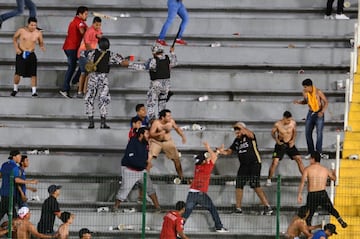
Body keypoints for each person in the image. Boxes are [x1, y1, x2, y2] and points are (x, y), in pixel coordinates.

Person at [218, 122, 273, 215]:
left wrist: (241, 127)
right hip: (244, 165)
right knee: (239, 184)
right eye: (236, 131)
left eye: (238, 131)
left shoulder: (250, 136)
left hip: (254, 163)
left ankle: (267, 206)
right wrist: (220, 151)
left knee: (255, 184)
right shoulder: (237, 141)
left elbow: (249, 133)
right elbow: (229, 151)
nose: (237, 133)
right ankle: (238, 208)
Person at [182, 142, 228, 233]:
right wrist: (209, 148)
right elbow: (213, 157)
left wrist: (217, 151)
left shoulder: (197, 166)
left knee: (187, 212)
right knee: (212, 209)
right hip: (200, 193)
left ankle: (178, 228)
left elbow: (212, 157)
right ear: (205, 160)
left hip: (191, 193)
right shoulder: (207, 167)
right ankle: (219, 227)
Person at [113, 127, 161, 212]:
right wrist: (145, 165)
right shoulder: (133, 142)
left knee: (150, 189)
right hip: (130, 170)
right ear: (141, 134)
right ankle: (115, 207)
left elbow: (145, 156)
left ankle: (158, 207)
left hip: (141, 170)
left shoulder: (146, 143)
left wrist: (146, 164)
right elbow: (131, 158)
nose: (148, 135)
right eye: (146, 134)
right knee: (124, 189)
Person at [84, 37, 129, 129]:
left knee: (90, 99)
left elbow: (85, 55)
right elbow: (123, 63)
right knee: (103, 100)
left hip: (93, 77)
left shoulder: (92, 53)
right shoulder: (111, 55)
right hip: (103, 78)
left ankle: (91, 122)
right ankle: (103, 122)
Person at [297, 151, 347, 228]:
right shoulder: (325, 169)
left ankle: (309, 233)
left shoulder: (307, 169)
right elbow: (334, 179)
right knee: (331, 209)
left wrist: (299, 194)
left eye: (310, 159)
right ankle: (340, 220)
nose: (310, 160)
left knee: (309, 215)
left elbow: (302, 182)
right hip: (322, 193)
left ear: (313, 159)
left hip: (312, 194)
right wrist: (333, 172)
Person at [130, 43, 177, 120]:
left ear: (154, 52)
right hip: (166, 85)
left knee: (151, 103)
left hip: (156, 84)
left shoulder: (153, 61)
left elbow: (143, 67)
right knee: (162, 103)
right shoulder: (167, 58)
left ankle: (152, 121)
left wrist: (129, 65)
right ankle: (162, 121)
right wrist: (172, 52)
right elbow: (175, 62)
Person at [266, 111, 304, 186]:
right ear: (284, 118)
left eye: (290, 120)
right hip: (281, 144)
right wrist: (276, 140)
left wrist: (293, 140)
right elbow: (272, 133)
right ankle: (269, 179)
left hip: (290, 143)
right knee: (275, 162)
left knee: (299, 159)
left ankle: (305, 177)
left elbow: (294, 132)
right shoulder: (277, 124)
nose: (289, 121)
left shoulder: (293, 123)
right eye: (288, 120)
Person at [294, 78, 329, 159]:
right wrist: (299, 102)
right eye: (304, 87)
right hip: (310, 113)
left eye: (306, 87)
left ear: (310, 86)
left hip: (319, 113)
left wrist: (322, 111)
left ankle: (319, 152)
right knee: (307, 133)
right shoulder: (304, 92)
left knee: (319, 133)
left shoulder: (318, 92)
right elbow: (306, 101)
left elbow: (326, 102)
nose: (304, 89)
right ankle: (311, 152)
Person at [11, 17, 45, 97]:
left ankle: (34, 91)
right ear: (28, 24)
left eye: (35, 25)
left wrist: (42, 46)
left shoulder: (38, 33)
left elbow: (41, 42)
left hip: (31, 53)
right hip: (21, 52)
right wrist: (16, 48)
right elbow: (14, 38)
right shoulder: (21, 30)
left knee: (33, 73)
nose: (33, 27)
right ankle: (15, 89)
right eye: (32, 25)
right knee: (18, 72)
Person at [0, 150, 38, 222]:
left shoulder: (4, 164)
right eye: (19, 156)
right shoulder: (15, 167)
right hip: (11, 194)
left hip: (3, 193)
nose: (20, 157)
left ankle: (12, 230)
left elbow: (1, 175)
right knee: (11, 214)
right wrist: (31, 182)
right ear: (14, 157)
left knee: (9, 213)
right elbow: (17, 180)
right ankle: (15, 230)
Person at [60, 6, 88, 99]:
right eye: (85, 14)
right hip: (72, 48)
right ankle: (65, 88)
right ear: (80, 14)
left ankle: (75, 80)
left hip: (71, 47)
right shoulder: (79, 23)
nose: (86, 15)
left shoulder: (78, 21)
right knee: (72, 67)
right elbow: (83, 33)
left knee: (82, 64)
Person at [149, 109, 186, 180]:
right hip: (157, 142)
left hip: (167, 141)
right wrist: (159, 133)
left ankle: (181, 177)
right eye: (168, 116)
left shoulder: (171, 121)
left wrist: (182, 136)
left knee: (176, 159)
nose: (170, 117)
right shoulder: (156, 123)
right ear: (163, 117)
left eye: (170, 116)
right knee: (149, 158)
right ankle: (143, 178)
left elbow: (177, 128)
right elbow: (151, 133)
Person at [76, 16, 103, 98]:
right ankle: (80, 92)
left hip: (91, 54)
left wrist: (99, 37)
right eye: (97, 25)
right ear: (93, 23)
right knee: (84, 73)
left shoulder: (99, 30)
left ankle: (84, 91)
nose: (98, 27)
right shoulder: (89, 31)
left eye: (99, 25)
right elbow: (87, 45)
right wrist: (93, 53)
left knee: (88, 74)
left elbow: (100, 37)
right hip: (84, 54)